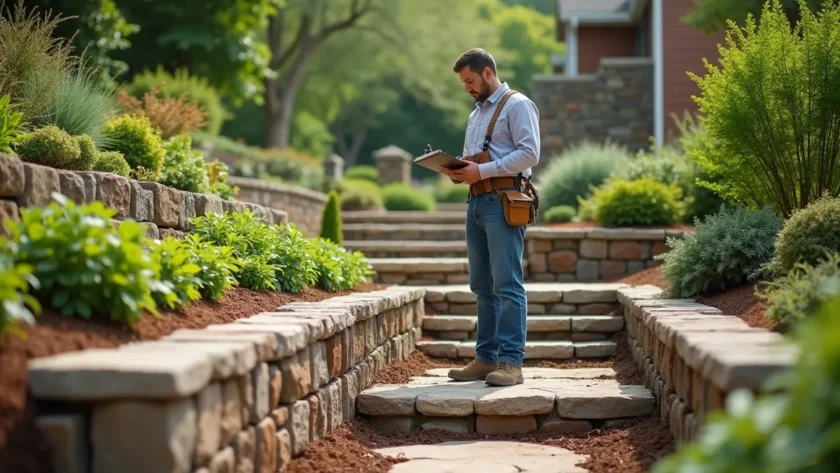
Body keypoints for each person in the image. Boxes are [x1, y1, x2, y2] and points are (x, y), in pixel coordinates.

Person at [443, 48, 540, 386]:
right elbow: (475, 160)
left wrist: (481, 171)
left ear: (487, 73)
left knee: (507, 284)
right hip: (476, 203)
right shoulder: (475, 115)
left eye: (469, 80)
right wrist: (459, 171)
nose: (467, 88)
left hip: (503, 202)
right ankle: (486, 358)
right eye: (463, 83)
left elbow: (530, 153)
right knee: (482, 285)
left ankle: (511, 363)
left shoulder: (518, 105)